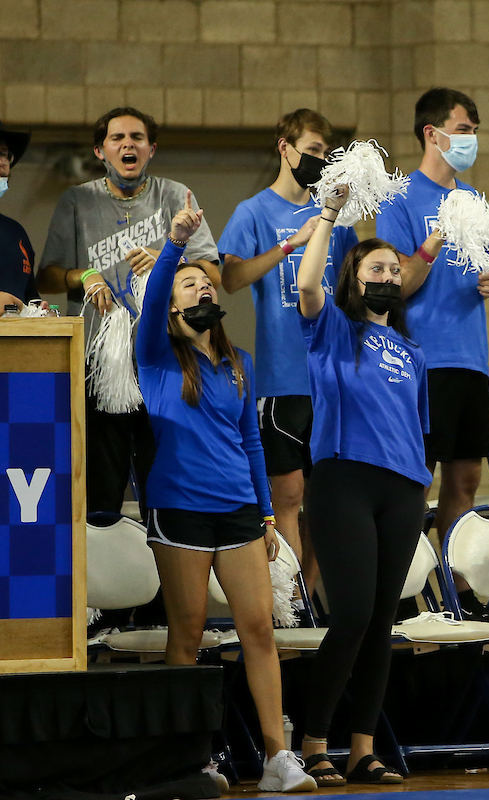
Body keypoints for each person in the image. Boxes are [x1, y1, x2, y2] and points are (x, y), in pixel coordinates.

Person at [136, 193, 314, 792]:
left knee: (258, 630)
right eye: (189, 286)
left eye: (207, 283)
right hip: (179, 509)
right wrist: (175, 248)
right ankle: (192, 759)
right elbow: (156, 293)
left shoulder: (239, 362)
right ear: (170, 305)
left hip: (241, 510)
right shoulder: (156, 355)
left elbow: (254, 444)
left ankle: (276, 758)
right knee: (186, 636)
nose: (202, 289)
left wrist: (267, 512)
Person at [296, 185, 442, 785]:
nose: (386, 274)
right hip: (343, 482)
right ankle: (311, 743)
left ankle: (363, 748)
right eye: (374, 267)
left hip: (403, 491)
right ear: (354, 281)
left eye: (393, 267)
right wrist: (328, 216)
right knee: (351, 615)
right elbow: (306, 286)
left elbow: (420, 429)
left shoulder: (412, 351)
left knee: (382, 621)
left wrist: (421, 491)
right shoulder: (332, 329)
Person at [37, 107, 219, 516]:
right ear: (100, 151)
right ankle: (101, 581)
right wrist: (84, 275)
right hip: (100, 365)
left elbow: (213, 275)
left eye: (137, 137)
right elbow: (45, 279)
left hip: (169, 358)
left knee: (167, 486)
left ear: (151, 148)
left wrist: (169, 255)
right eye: (117, 138)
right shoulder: (78, 199)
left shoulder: (175, 195)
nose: (127, 144)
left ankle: (169, 579)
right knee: (102, 491)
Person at [218, 109, 358, 575]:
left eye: (324, 152)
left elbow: (356, 281)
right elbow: (231, 279)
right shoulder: (253, 211)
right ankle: (292, 602)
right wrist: (289, 245)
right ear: (285, 147)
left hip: (334, 373)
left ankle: (313, 599)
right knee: (289, 496)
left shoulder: (336, 213)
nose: (319, 160)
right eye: (311, 150)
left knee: (329, 498)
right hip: (282, 377)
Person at [375, 88, 489, 551]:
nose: (472, 139)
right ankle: (405, 584)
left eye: (474, 131)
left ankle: (454, 585)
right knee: (417, 479)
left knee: (466, 479)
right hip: (422, 359)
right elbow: (397, 285)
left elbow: (479, 270)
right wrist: (435, 238)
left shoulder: (474, 198)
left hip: (472, 359)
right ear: (433, 133)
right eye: (464, 130)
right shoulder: (400, 198)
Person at [0, 121, 38, 310]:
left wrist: (39, 310)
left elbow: (30, 295)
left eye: (3, 154)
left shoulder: (16, 233)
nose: (1, 163)